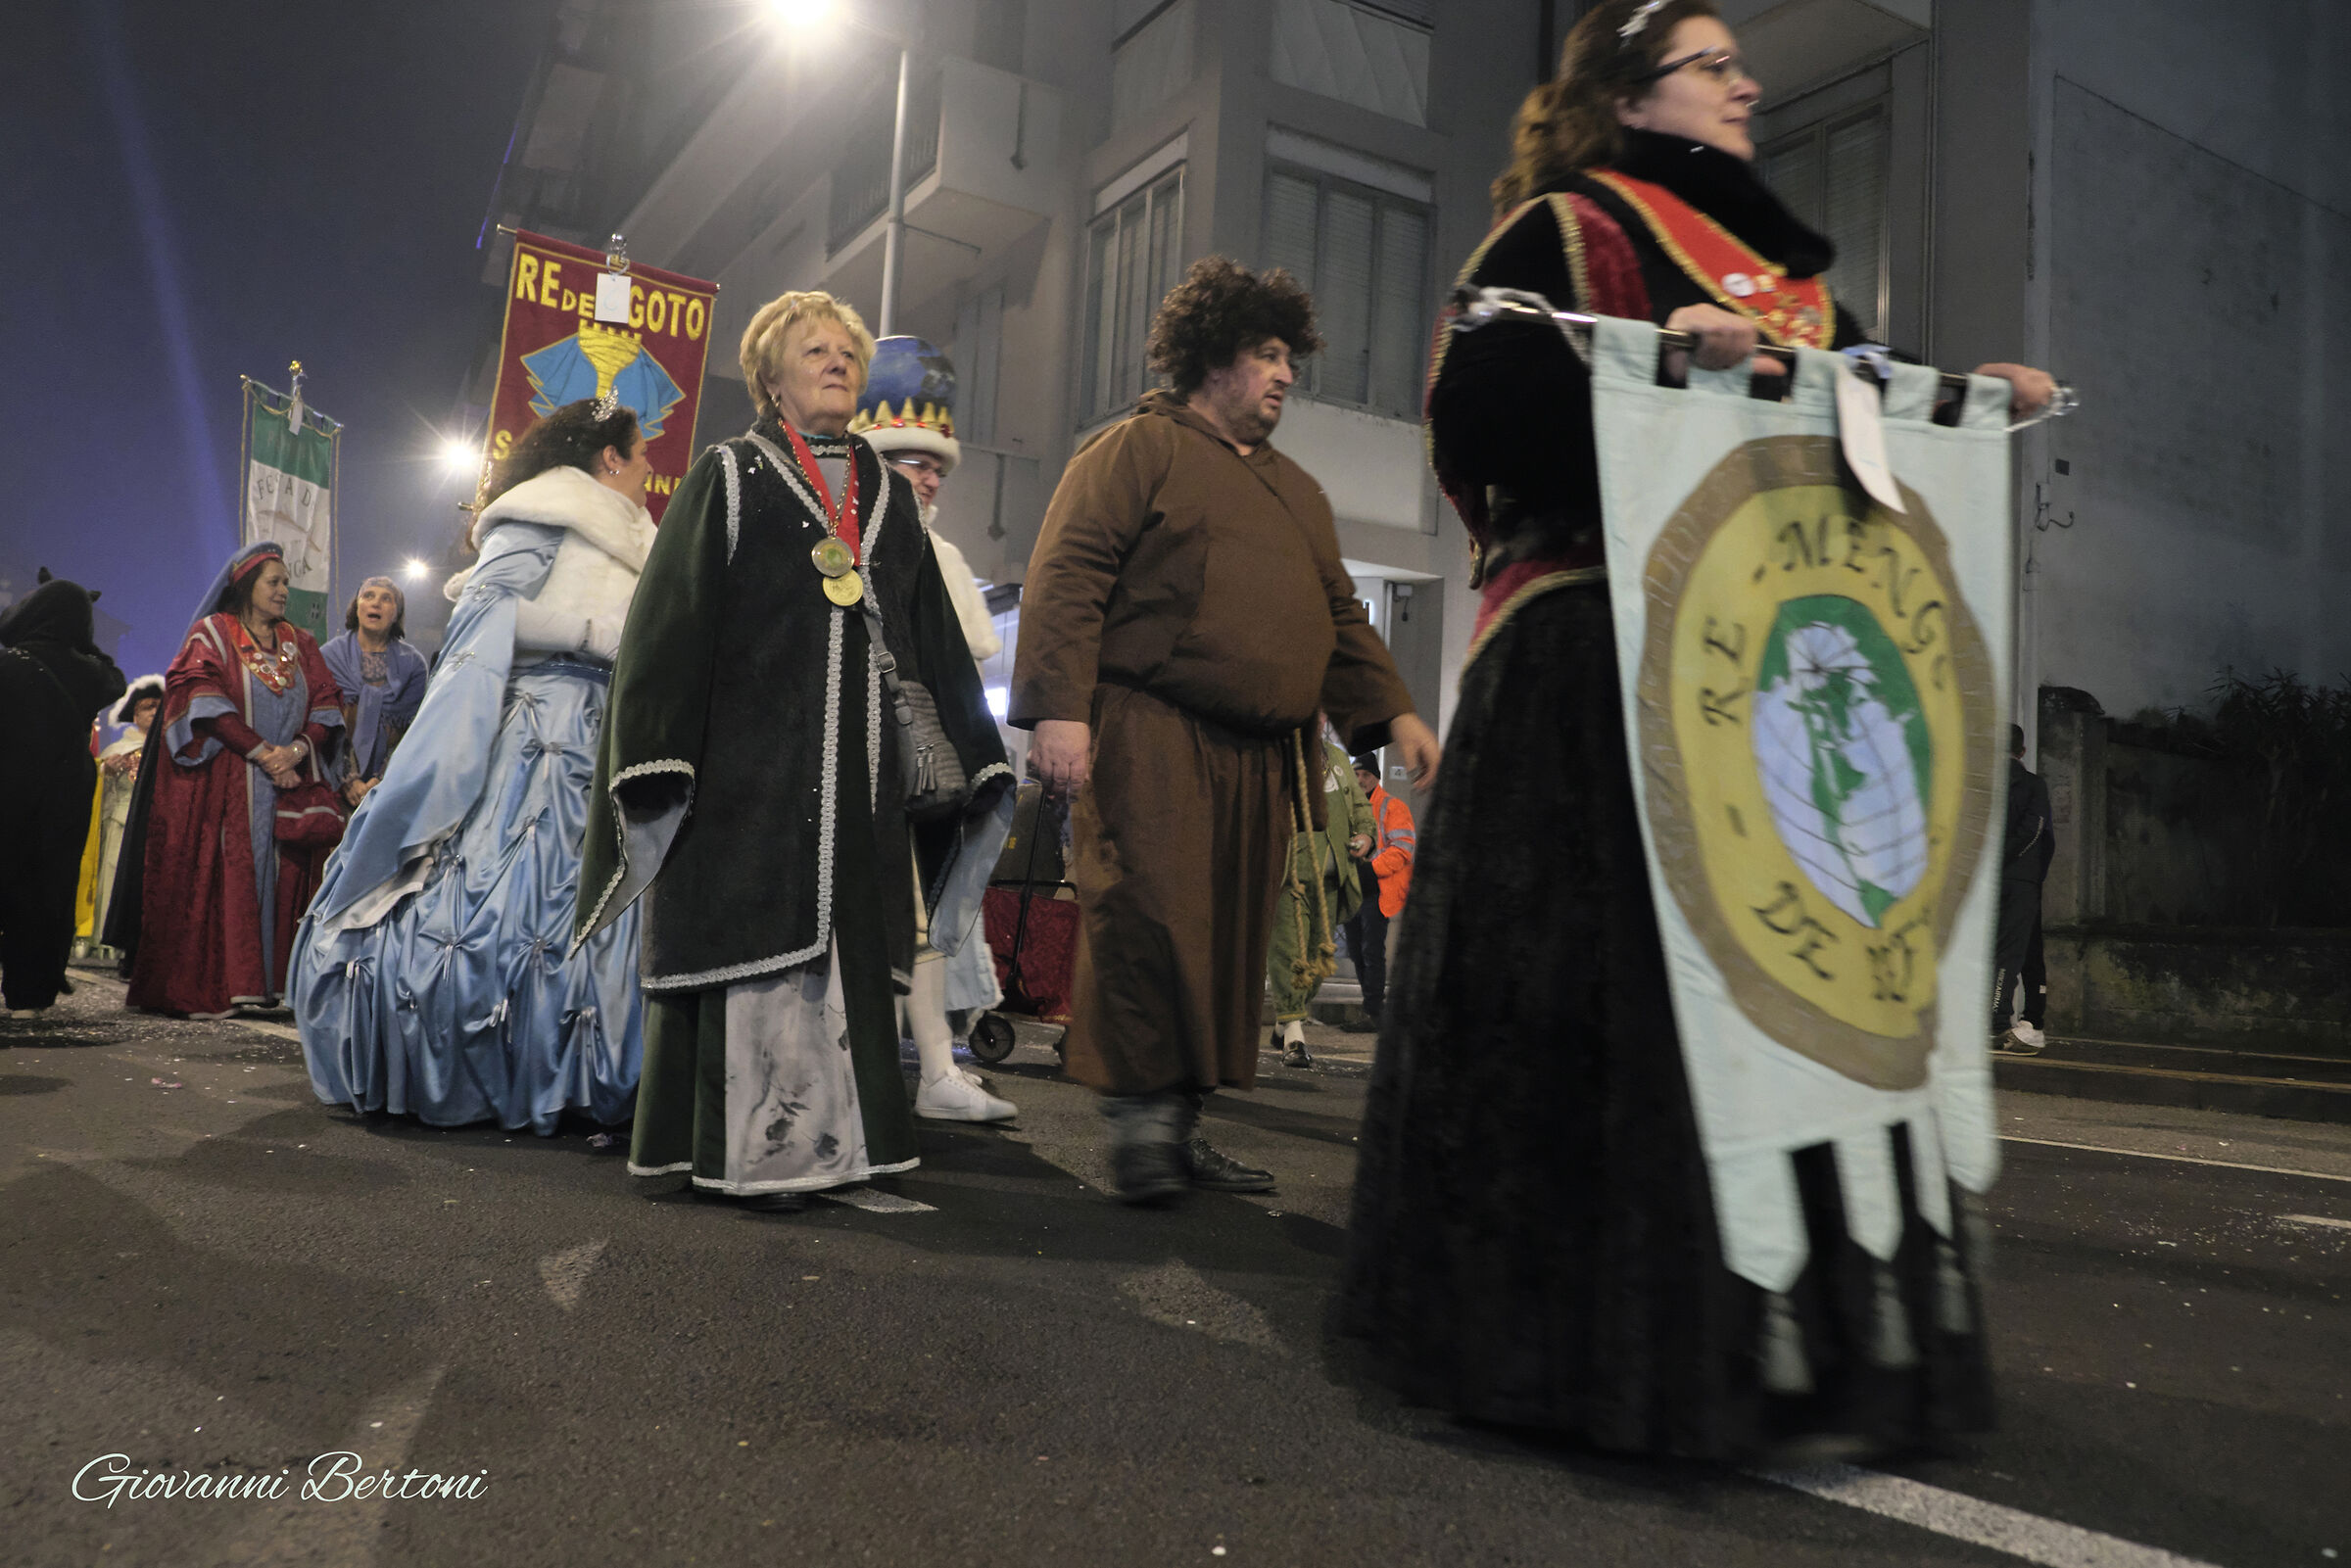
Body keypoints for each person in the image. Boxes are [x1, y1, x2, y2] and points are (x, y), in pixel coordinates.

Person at [1342, 0, 2055, 1459]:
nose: (1745, 85)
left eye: (1738, 64)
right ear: (1635, 96)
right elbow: (1471, 406)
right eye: (1713, 65)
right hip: (1589, 673)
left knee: (1783, 1004)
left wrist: (1972, 404)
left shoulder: (1795, 286)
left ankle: (1784, 1350)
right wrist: (1648, 356)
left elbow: (1862, 416)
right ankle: (1569, 1342)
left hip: (1757, 690)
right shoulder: (1562, 231)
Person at [1011, 256, 1440, 1205]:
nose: (1286, 374)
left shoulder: (1299, 493)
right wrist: (1063, 709)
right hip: (1150, 732)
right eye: (1267, 353)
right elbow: (1069, 573)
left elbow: (1339, 616)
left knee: (1227, 941)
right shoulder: (1135, 451)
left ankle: (1182, 1122)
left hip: (1259, 760)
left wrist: (1397, 710)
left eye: (1291, 357)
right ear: (1212, 358)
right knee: (1153, 916)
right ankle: (1140, 1124)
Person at [575, 291, 1012, 1212]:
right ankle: (749, 1161)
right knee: (757, 946)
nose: (835, 363)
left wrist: (977, 753)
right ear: (772, 378)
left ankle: (836, 1155)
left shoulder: (888, 495)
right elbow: (668, 624)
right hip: (747, 778)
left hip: (857, 790)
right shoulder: (728, 475)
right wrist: (658, 748)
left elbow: (932, 634)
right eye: (813, 351)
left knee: (844, 966)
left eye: (847, 352)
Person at [292, 399, 656, 1134]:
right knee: (508, 898)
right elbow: (487, 608)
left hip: (611, 734)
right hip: (537, 729)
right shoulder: (542, 515)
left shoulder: (643, 537)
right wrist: (601, 633)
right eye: (640, 451)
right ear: (609, 457)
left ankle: (604, 1065)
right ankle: (499, 1056)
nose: (650, 466)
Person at [848, 334, 1018, 1119]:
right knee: (887, 912)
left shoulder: (930, 547)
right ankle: (884, 1074)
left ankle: (923, 1073)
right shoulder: (851, 532)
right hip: (851, 754)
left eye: (938, 465)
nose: (930, 476)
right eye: (915, 461)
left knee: (919, 913)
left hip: (914, 763)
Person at [115, 545, 345, 1019]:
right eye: (274, 582)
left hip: (287, 785)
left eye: (286, 583)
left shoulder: (300, 643)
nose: (284, 591)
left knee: (286, 875)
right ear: (246, 587)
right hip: (230, 783)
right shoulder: (212, 635)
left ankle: (275, 984)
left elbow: (325, 701)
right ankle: (226, 982)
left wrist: (296, 752)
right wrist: (262, 753)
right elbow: (200, 694)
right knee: (227, 874)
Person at [0, 572, 127, 1018]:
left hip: (9, 790)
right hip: (64, 798)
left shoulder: (7, 663)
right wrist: (84, 643)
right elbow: (116, 679)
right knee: (46, 892)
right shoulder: (90, 672)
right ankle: (29, 997)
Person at [1268, 728, 1373, 1068]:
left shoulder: (1339, 758)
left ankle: (1285, 1020)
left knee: (1317, 960)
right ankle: (1295, 1037)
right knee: (1289, 954)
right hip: (1288, 878)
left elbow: (1359, 805)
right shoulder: (1275, 755)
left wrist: (1366, 834)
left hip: (1332, 879)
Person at [73, 675, 163, 964]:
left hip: (158, 827)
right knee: (113, 879)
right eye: (148, 707)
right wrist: (106, 774)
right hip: (120, 824)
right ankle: (108, 938)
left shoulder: (170, 750)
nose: (153, 712)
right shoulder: (116, 751)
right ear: (135, 713)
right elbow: (96, 793)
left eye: (158, 707)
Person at [319, 576, 429, 811]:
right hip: (330, 779)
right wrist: (349, 779)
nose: (376, 603)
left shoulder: (414, 666)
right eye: (368, 596)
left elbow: (411, 731)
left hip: (390, 787)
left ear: (396, 613)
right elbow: (323, 723)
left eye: (386, 599)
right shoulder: (329, 656)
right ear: (357, 607)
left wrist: (380, 781)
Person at [1339, 754, 1415, 1036]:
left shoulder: (1392, 806)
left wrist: (1371, 870)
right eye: (1356, 775)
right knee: (1359, 952)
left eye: (1365, 776)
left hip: (1378, 891)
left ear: (1376, 777)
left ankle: (1374, 1011)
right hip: (1355, 891)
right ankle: (1371, 1010)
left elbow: (1404, 848)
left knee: (1371, 952)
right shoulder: (1349, 808)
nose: (1360, 780)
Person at [1991, 724, 2054, 1056]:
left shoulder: (1982, 783)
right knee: (2016, 951)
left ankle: (2024, 1019)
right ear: (2023, 751)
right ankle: (2002, 1021)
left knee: (2004, 947)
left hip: (1993, 880)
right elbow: (2035, 830)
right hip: (2022, 879)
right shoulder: (2032, 784)